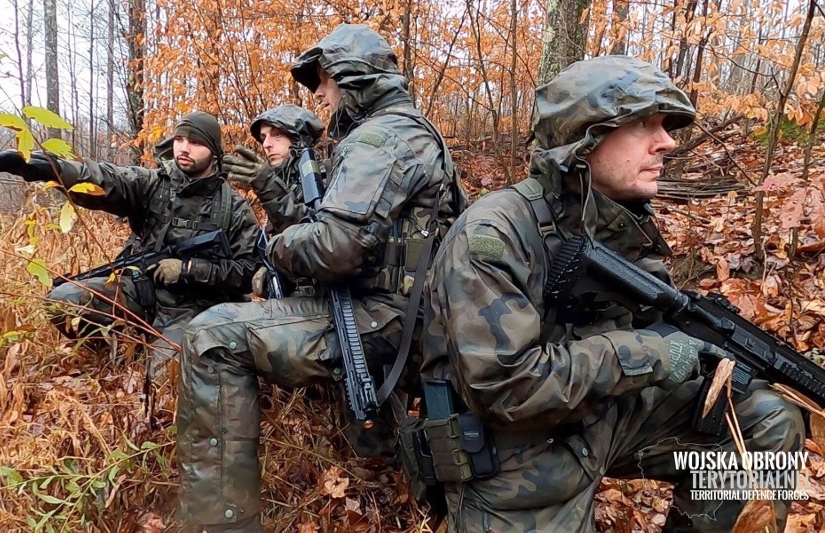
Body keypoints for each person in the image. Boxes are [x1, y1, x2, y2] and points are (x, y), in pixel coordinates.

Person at [419, 56, 804, 532]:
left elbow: (643, 327)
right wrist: (656, 353)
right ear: (586, 137)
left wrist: (696, 350)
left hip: (598, 419)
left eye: (665, 126)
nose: (667, 142)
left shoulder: (617, 220)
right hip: (509, 453)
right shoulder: (492, 235)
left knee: (768, 420)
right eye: (645, 123)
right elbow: (504, 389)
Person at [174, 24, 467, 531]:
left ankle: (220, 522)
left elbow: (335, 250)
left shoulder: (379, 139)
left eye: (324, 81)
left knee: (210, 335)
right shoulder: (410, 130)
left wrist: (279, 249)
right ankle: (387, 469)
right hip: (416, 313)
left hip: (388, 317)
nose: (318, 95)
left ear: (352, 78)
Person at [0, 112, 261, 380]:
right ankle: (121, 352)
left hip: (191, 309)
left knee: (165, 381)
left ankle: (159, 352)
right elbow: (106, 178)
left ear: (213, 151)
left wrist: (189, 269)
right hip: (139, 291)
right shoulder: (153, 184)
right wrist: (48, 168)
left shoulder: (233, 208)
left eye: (195, 142)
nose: (184, 148)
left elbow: (247, 271)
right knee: (64, 302)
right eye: (179, 140)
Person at [222, 104, 326, 295]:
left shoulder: (324, 179)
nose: (267, 144)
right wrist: (271, 269)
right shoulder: (281, 181)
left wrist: (268, 186)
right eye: (263, 137)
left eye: (277, 134)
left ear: (298, 139)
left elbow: (318, 239)